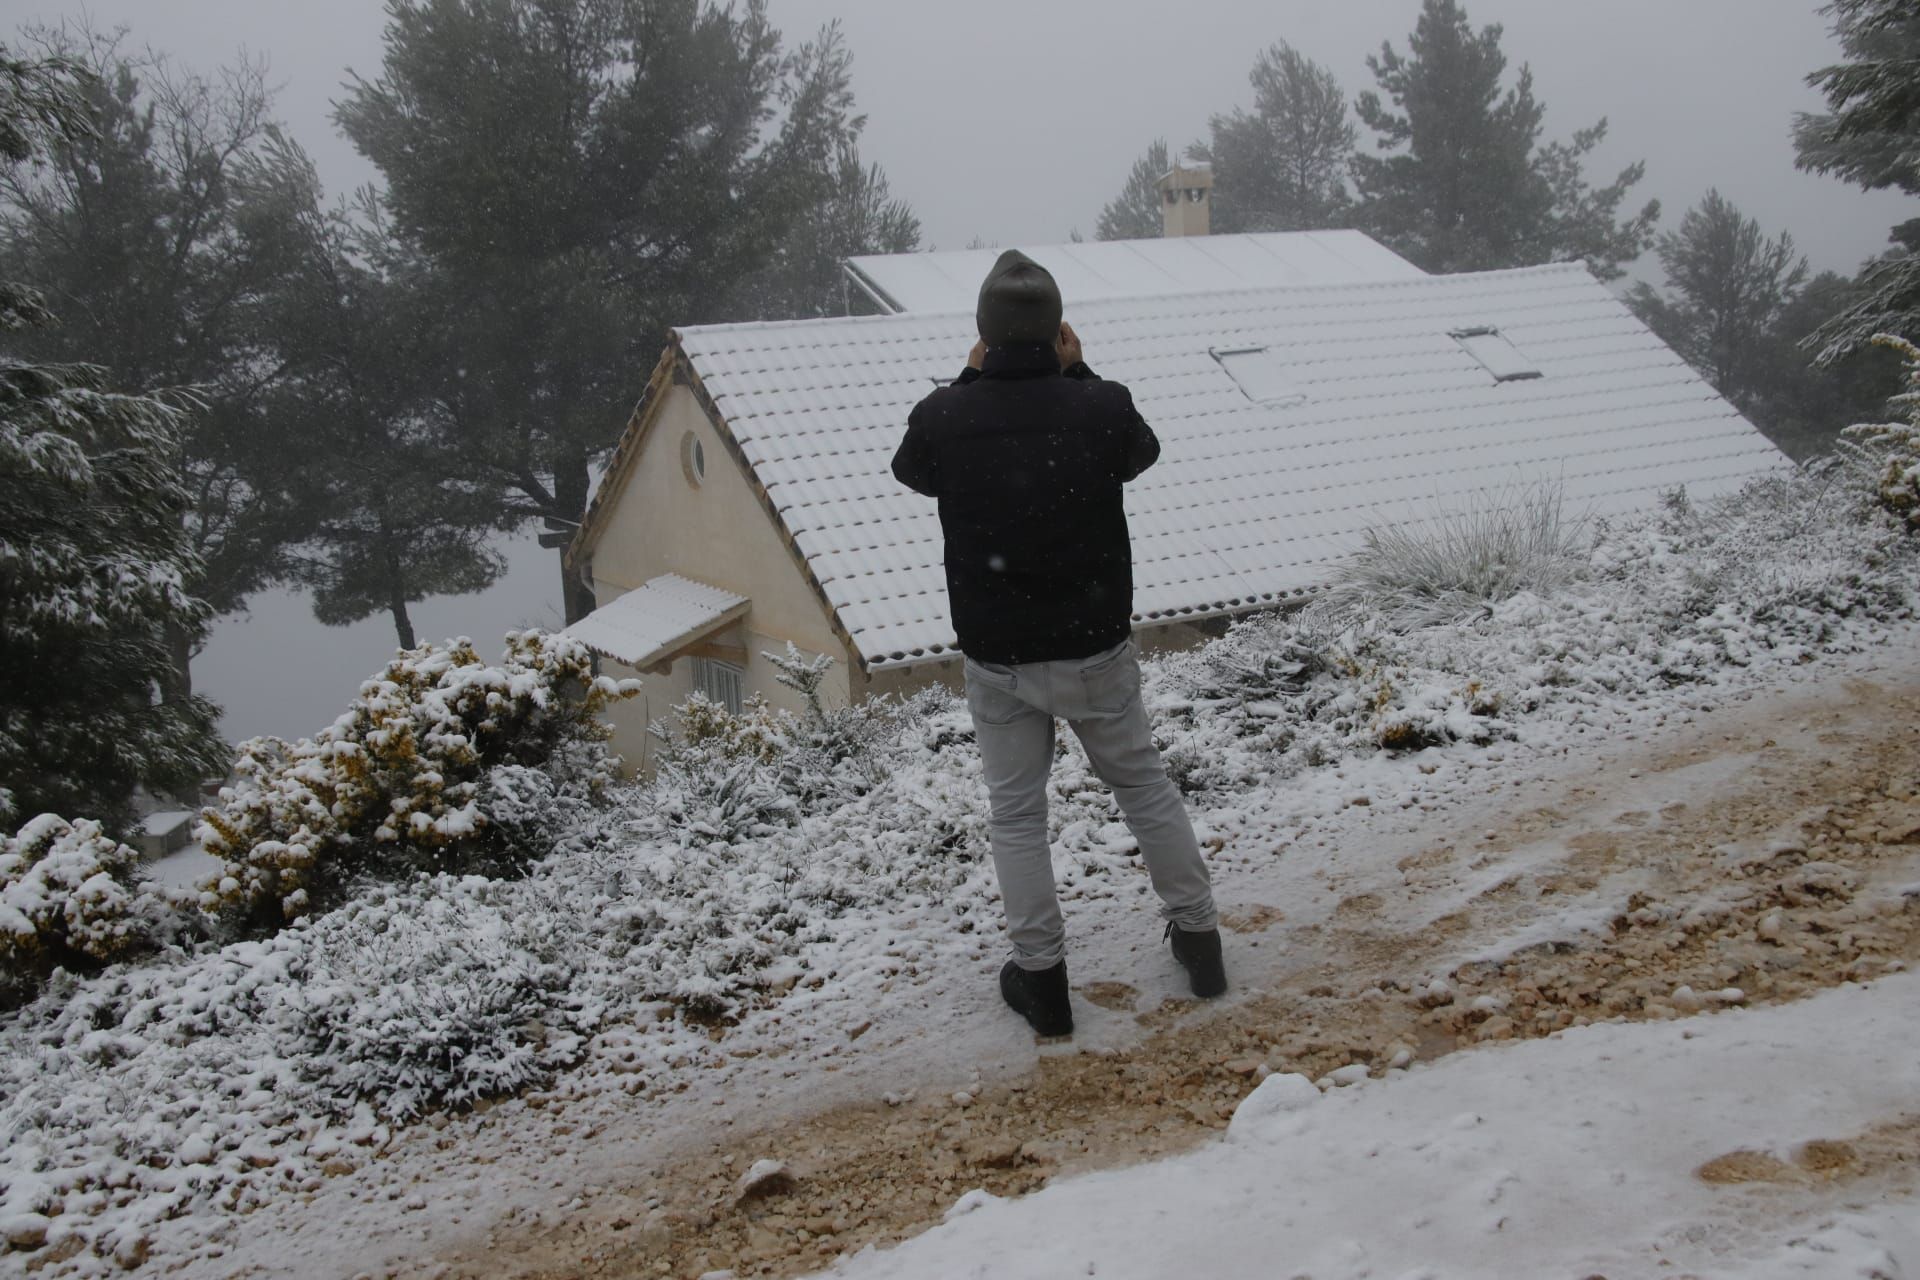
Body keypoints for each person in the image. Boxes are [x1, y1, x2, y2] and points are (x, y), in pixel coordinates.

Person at [891, 249, 1225, 1039]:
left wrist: (972, 380)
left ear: (983, 335)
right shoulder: (1100, 405)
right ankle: (1201, 942)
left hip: (1000, 660)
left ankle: (1042, 984)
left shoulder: (946, 414)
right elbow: (1140, 453)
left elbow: (913, 470)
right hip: (1097, 648)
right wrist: (1077, 375)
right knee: (1145, 791)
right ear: (1058, 332)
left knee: (1017, 819)